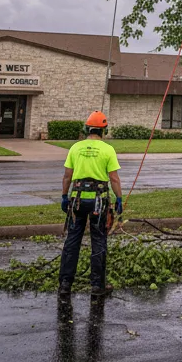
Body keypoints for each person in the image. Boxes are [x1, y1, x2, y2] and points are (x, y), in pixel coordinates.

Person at [58, 110, 122, 299]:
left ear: (86, 128)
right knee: (98, 240)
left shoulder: (75, 148)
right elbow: (114, 178)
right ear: (105, 130)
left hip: (76, 201)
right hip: (99, 203)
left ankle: (65, 284)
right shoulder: (108, 150)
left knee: (72, 241)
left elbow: (67, 176)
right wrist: (119, 199)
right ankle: (97, 285)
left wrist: (64, 196)